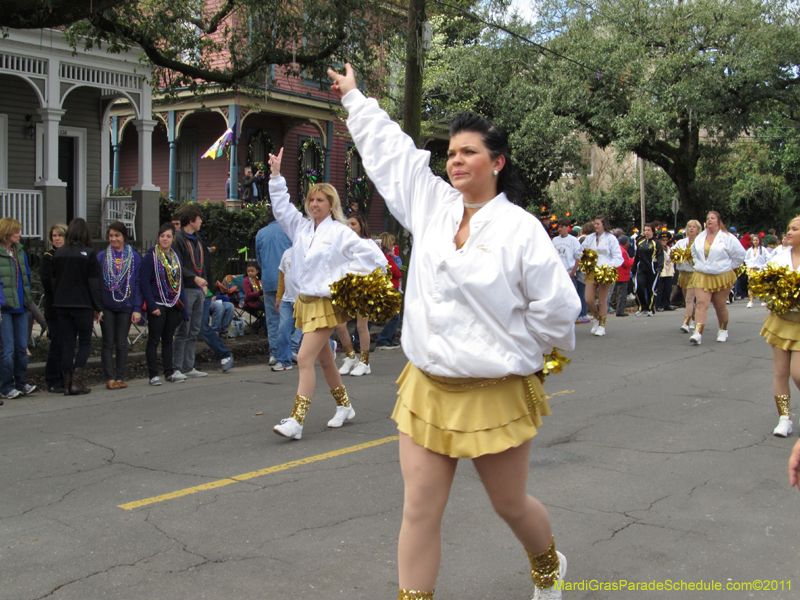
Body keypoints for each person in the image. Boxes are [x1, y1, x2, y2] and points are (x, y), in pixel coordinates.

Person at [330, 63, 579, 600]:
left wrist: (521, 353)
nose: (456, 159)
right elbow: (392, 155)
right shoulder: (433, 204)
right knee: (419, 508)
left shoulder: (520, 229)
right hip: (427, 386)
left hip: (495, 391)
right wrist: (355, 98)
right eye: (451, 152)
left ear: (497, 162)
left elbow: (557, 309)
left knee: (509, 504)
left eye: (469, 151)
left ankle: (547, 564)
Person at [267, 146, 387, 440]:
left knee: (303, 358)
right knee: (324, 360)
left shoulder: (340, 231)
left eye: (320, 199)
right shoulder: (301, 228)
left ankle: (297, 421)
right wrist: (276, 175)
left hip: (327, 304)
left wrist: (346, 282)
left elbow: (373, 257)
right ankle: (345, 406)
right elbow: (282, 208)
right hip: (305, 302)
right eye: (311, 199)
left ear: (330, 203)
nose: (314, 203)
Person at [759, 216, 800, 437]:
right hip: (781, 320)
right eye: (788, 229)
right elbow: (765, 286)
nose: (789, 232)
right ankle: (784, 418)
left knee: (798, 373)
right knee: (780, 372)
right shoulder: (778, 257)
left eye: (795, 229)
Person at [52, 218, 103, 395]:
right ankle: (77, 382)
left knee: (68, 344)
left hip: (62, 303)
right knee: (84, 342)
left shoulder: (58, 253)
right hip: (82, 304)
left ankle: (66, 384)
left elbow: (54, 280)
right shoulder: (89, 254)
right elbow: (93, 283)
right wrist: (98, 307)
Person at [140, 223, 189, 385]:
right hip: (158, 303)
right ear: (158, 237)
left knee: (168, 339)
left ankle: (169, 372)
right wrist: (151, 305)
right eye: (162, 236)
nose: (165, 239)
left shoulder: (175, 257)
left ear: (173, 238)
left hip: (173, 304)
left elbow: (179, 282)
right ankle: (153, 374)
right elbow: (144, 282)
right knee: (154, 340)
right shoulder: (151, 257)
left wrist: (184, 310)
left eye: (168, 236)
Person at [97, 222, 143, 390]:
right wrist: (97, 308)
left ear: (124, 236)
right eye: (111, 236)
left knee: (122, 343)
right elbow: (96, 282)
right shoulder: (102, 256)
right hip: (107, 305)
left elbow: (138, 283)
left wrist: (137, 308)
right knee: (108, 342)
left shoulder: (134, 257)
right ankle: (109, 378)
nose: (113, 239)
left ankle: (120, 376)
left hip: (126, 305)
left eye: (117, 235)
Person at [689, 211, 746, 345]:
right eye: (708, 218)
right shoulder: (700, 237)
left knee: (719, 305)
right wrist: (699, 264)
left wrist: (727, 266)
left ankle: (723, 329)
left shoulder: (727, 237)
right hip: (702, 274)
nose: (709, 220)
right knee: (702, 303)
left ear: (718, 221)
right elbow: (694, 253)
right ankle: (697, 332)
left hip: (722, 275)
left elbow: (739, 255)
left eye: (712, 218)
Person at [172, 205, 210, 379]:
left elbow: (201, 263)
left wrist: (203, 282)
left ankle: (189, 365)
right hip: (185, 289)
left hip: (198, 289)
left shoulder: (198, 239)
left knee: (194, 329)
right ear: (191, 221)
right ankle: (176, 367)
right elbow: (178, 265)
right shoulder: (178, 239)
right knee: (183, 329)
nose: (201, 221)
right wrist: (194, 278)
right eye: (199, 219)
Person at [0, 217, 36, 399]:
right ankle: (6, 386)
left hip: (21, 306)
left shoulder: (19, 252)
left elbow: (26, 276)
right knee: (8, 349)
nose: (19, 235)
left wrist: (28, 299)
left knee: (22, 347)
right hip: (4, 308)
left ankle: (22, 382)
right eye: (16, 232)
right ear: (6, 233)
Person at [335, 212, 375, 376]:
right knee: (339, 325)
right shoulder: (343, 244)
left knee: (361, 326)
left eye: (353, 224)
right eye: (348, 224)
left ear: (361, 226)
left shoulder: (368, 243)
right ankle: (350, 356)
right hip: (346, 289)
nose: (350, 227)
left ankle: (364, 362)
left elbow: (378, 266)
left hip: (364, 289)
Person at [255, 210, 291, 365]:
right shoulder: (289, 232)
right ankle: (290, 350)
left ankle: (274, 353)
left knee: (272, 319)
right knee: (291, 318)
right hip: (288, 280)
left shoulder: (261, 234)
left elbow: (259, 258)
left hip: (269, 279)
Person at [581, 215, 624, 336]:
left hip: (605, 271)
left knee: (602, 301)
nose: (595, 226)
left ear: (604, 225)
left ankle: (602, 326)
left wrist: (609, 266)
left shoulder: (611, 239)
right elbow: (581, 251)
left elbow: (618, 257)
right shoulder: (589, 238)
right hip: (592, 270)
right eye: (594, 223)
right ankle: (596, 319)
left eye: (597, 224)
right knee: (588, 299)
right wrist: (585, 258)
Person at [40, 223, 68, 393]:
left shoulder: (69, 255)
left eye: (60, 235)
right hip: (54, 307)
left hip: (68, 307)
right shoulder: (48, 257)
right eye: (54, 236)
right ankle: (52, 379)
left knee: (66, 344)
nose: (57, 239)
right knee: (57, 343)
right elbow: (47, 281)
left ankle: (64, 376)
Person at [274, 248, 304, 370]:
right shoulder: (286, 253)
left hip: (303, 299)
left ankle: (330, 345)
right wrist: (278, 298)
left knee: (310, 331)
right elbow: (282, 279)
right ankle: (284, 361)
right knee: (283, 330)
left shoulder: (309, 250)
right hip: (287, 300)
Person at [375, 232, 404, 349]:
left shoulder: (382, 257)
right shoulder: (386, 259)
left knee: (393, 316)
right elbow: (397, 272)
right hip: (391, 287)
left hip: (390, 286)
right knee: (395, 317)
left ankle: (389, 339)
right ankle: (384, 340)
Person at [672, 220, 701, 333]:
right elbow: (672, 254)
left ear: (698, 230)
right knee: (687, 299)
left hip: (694, 274)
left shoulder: (700, 243)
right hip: (683, 274)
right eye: (689, 227)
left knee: (689, 299)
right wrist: (676, 257)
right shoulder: (681, 242)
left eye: (694, 227)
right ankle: (694, 319)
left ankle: (686, 322)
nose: (691, 229)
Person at [552, 216, 583, 315]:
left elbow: (577, 257)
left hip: (569, 272)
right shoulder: (555, 240)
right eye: (558, 227)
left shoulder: (573, 240)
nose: (559, 229)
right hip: (558, 273)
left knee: (571, 296)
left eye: (561, 227)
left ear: (567, 227)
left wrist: (573, 271)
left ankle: (573, 314)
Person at [632, 223, 663, 317]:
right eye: (645, 230)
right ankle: (642, 307)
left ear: (653, 231)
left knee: (651, 289)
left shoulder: (656, 243)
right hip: (641, 269)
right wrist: (633, 269)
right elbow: (636, 256)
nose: (646, 232)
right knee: (638, 288)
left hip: (652, 269)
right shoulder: (640, 242)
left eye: (649, 230)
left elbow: (661, 255)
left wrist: (659, 267)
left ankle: (650, 308)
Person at [745, 233, 770, 308]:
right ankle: (750, 301)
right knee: (751, 285)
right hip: (751, 269)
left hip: (760, 269)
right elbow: (746, 259)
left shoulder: (764, 250)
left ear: (759, 241)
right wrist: (749, 264)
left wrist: (764, 266)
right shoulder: (749, 250)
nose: (755, 242)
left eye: (757, 240)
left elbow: (768, 259)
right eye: (754, 240)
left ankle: (765, 300)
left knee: (762, 285)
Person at [614, 235, 635, 317]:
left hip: (620, 274)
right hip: (622, 275)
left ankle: (619, 309)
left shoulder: (620, 249)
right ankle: (620, 310)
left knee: (619, 293)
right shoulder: (622, 251)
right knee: (622, 294)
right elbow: (626, 264)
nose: (629, 243)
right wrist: (633, 259)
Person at [242, 262, 265, 331]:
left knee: (270, 306)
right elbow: (248, 295)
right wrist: (260, 293)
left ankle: (261, 323)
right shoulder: (246, 281)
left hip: (259, 300)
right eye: (248, 271)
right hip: (251, 302)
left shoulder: (258, 280)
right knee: (268, 308)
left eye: (252, 271)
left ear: (257, 271)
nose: (250, 273)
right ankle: (261, 324)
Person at [656, 232, 675, 311]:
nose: (665, 242)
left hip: (669, 271)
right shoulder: (658, 249)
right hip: (662, 271)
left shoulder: (669, 249)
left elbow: (672, 261)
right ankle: (658, 305)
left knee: (668, 289)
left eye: (666, 240)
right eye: (663, 240)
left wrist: (673, 271)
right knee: (660, 289)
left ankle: (666, 304)